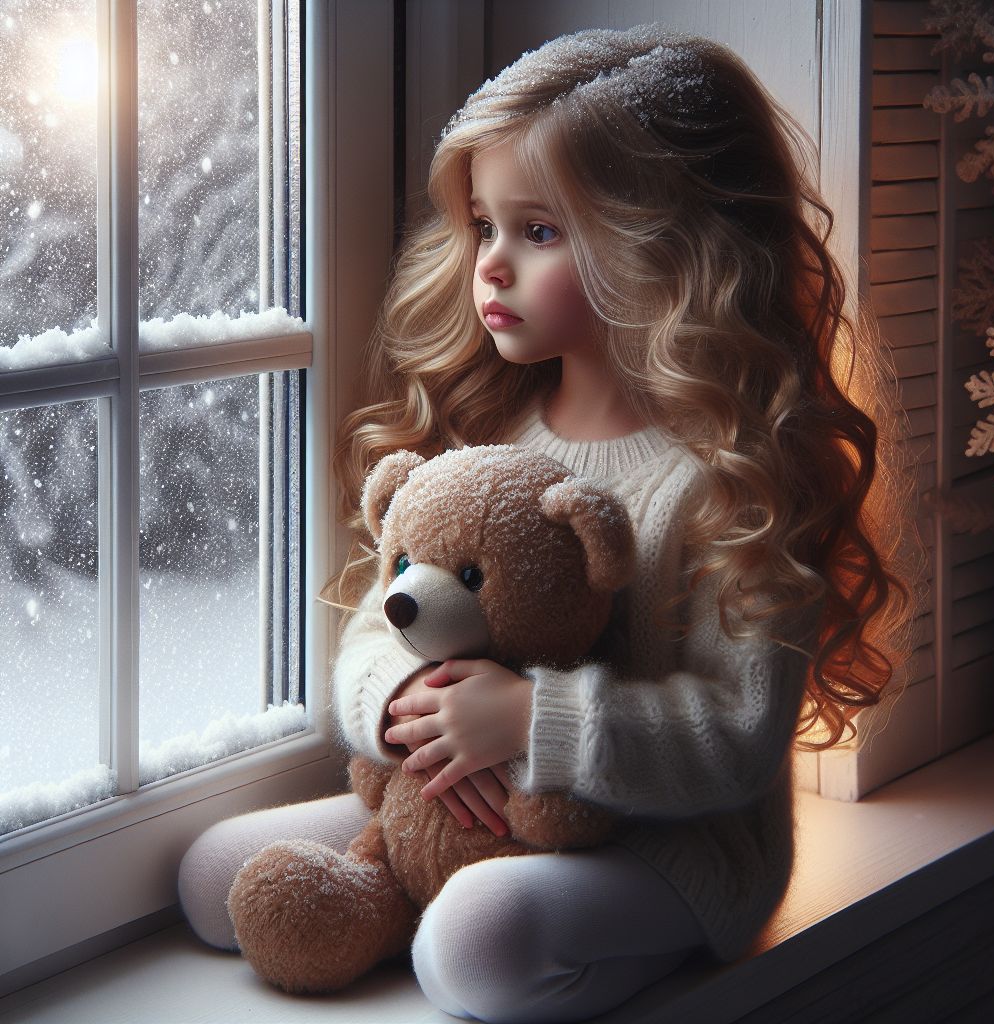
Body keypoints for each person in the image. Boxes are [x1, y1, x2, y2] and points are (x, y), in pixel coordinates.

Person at [179, 25, 917, 1023]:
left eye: (539, 232)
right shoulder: (487, 425)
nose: (488, 266)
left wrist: (529, 723)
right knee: (212, 875)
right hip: (452, 798)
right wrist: (403, 702)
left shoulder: (732, 480)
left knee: (477, 942)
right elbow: (373, 628)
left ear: (673, 241)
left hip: (665, 843)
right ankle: (421, 887)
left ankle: (466, 918)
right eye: (483, 224)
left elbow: (734, 738)